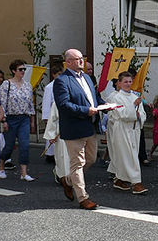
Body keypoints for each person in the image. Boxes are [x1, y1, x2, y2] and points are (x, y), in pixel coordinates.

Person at [53, 48, 103, 209]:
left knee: (91, 159)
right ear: (68, 62)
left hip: (90, 126)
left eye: (82, 58)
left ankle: (67, 181)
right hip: (74, 128)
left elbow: (94, 98)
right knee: (78, 163)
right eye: (77, 59)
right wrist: (85, 111)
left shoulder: (87, 78)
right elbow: (64, 105)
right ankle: (83, 198)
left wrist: (106, 106)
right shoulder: (62, 81)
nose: (81, 61)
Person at [107, 71, 148, 194]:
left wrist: (139, 115)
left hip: (134, 129)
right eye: (125, 81)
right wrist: (132, 108)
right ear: (119, 83)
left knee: (128, 155)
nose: (128, 84)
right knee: (128, 156)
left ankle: (120, 179)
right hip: (122, 129)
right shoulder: (116, 97)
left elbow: (142, 113)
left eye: (130, 81)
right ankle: (136, 182)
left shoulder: (135, 97)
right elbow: (121, 114)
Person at [0, 59, 35, 182]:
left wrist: (32, 120)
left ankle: (24, 173)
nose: (23, 71)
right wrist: (4, 120)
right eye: (20, 69)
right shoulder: (6, 84)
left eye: (24, 69)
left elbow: (30, 103)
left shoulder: (27, 85)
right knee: (9, 146)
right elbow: (1, 103)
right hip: (11, 118)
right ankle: (1, 164)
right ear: (14, 71)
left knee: (25, 145)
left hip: (24, 118)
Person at [41, 63, 64, 164]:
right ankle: (51, 154)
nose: (60, 76)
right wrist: (46, 118)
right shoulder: (50, 87)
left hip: (62, 115)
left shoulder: (64, 85)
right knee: (52, 134)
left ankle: (60, 154)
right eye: (58, 74)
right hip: (53, 115)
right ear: (54, 75)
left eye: (61, 74)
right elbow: (46, 103)